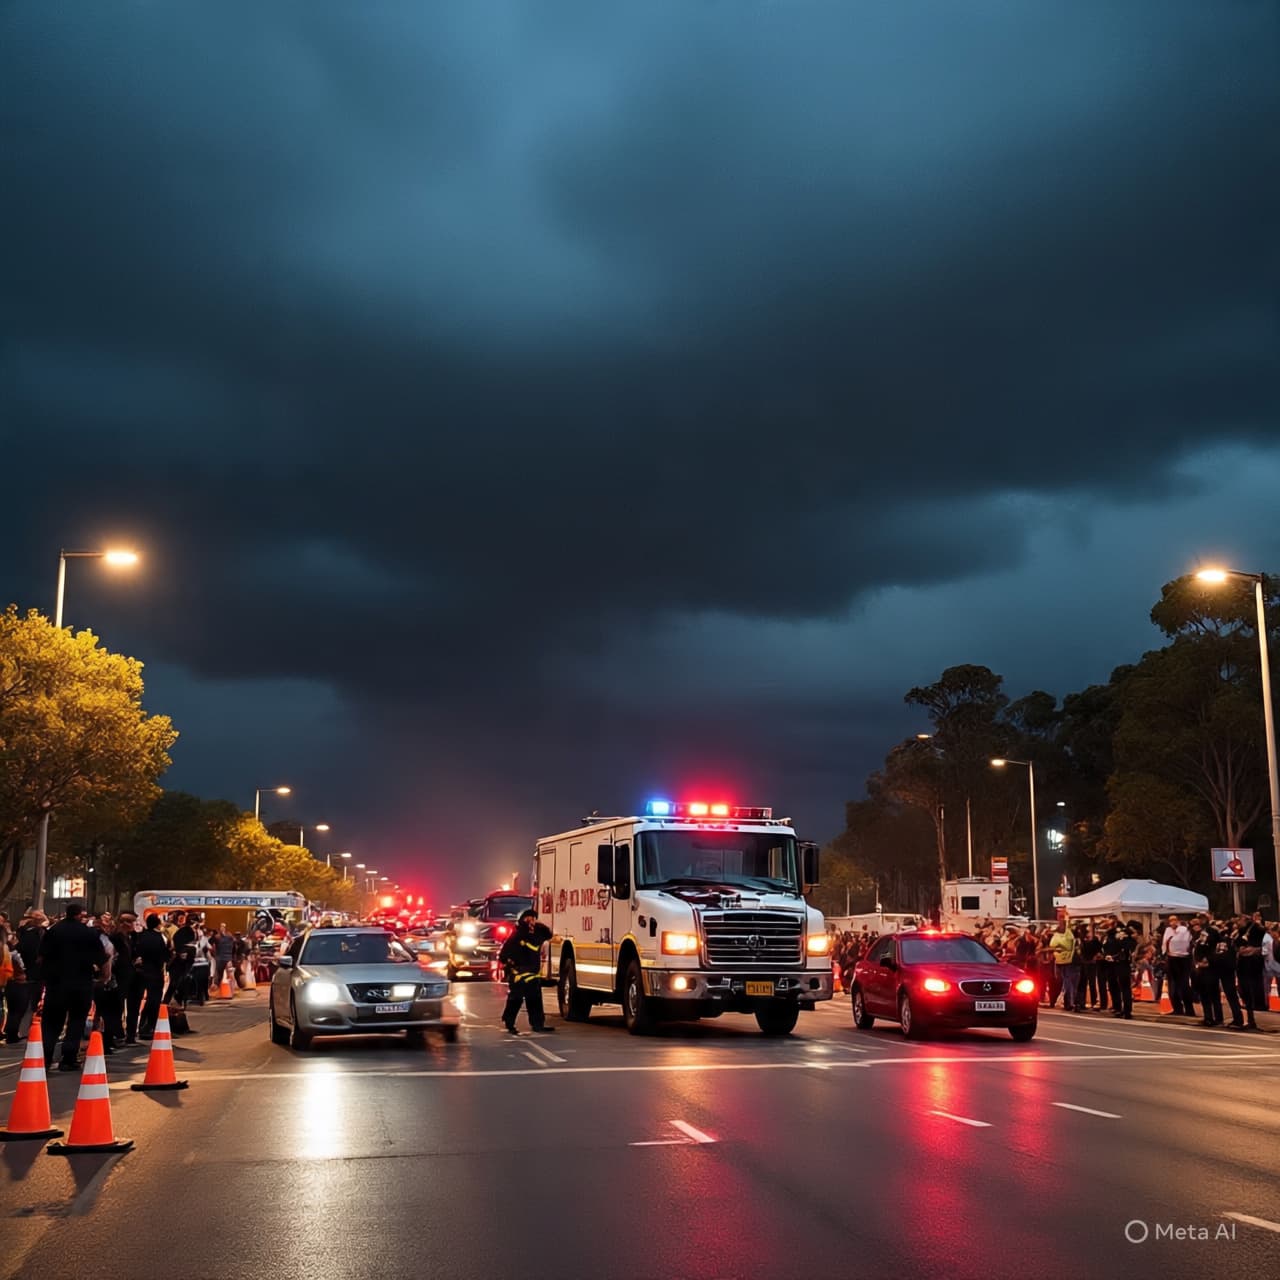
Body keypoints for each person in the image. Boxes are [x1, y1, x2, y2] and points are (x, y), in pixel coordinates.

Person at [37, 902, 107, 1071]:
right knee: (77, 1021)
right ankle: (68, 1058)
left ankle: (45, 1058)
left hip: (56, 984)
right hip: (81, 984)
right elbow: (101, 958)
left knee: (52, 1022)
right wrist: (101, 974)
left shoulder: (53, 931)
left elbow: (40, 957)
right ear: (79, 915)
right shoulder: (88, 933)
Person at [498, 908, 554, 1035]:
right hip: (518, 975)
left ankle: (538, 1024)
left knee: (535, 1000)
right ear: (523, 920)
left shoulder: (536, 935)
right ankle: (509, 1023)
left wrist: (539, 925)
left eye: (533, 919)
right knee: (515, 1000)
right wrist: (510, 965)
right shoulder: (516, 936)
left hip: (533, 975)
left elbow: (548, 935)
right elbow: (503, 955)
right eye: (528, 918)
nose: (531, 921)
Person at [133, 913, 171, 1039]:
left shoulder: (141, 936)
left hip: (141, 972)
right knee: (154, 1000)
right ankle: (149, 1026)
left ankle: (136, 1028)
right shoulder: (158, 937)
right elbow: (164, 955)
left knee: (138, 1000)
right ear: (157, 924)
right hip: (155, 972)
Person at [1234, 912, 1266, 1031]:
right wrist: (1240, 950)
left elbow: (1263, 939)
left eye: (1240, 920)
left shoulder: (1257, 930)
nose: (1238, 922)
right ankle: (1249, 1019)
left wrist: (1254, 950)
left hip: (1252, 965)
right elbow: (1237, 944)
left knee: (1252, 990)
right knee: (1244, 991)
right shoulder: (1241, 932)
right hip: (1243, 965)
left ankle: (1253, 1019)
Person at [1099, 915, 1133, 1019]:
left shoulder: (1122, 932)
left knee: (1124, 987)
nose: (1107, 925)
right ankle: (1117, 1007)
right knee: (1113, 986)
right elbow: (1104, 946)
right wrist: (1105, 956)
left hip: (1121, 962)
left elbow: (1126, 947)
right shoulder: (1108, 934)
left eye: (1109, 923)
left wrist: (1115, 956)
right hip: (1110, 964)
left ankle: (1127, 1010)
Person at [1161, 915, 1193, 1015]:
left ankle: (1189, 1010)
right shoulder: (1168, 930)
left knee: (1184, 985)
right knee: (1173, 985)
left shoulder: (1183, 930)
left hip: (1183, 959)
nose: (1172, 922)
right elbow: (1165, 943)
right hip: (1171, 958)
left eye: (1174, 920)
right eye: (1170, 920)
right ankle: (1177, 1008)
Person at [1049, 918, 1079, 1012]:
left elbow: (1067, 945)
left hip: (1069, 961)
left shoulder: (1069, 935)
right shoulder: (1057, 935)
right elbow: (1052, 945)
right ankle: (1066, 1002)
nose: (1060, 926)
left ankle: (1069, 1003)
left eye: (1062, 924)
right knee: (1064, 982)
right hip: (1059, 961)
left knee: (1068, 982)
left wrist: (1058, 946)